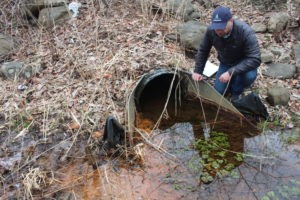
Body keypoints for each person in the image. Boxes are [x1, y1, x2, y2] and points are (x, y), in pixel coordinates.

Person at [192, 6, 261, 100]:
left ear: (231, 21)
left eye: (222, 27)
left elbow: (255, 59)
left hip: (244, 62)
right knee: (219, 91)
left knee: (248, 77)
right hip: (226, 62)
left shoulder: (245, 31)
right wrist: (197, 71)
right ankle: (231, 81)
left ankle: (236, 91)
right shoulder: (211, 31)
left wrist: (230, 72)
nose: (218, 31)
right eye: (216, 27)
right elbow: (203, 51)